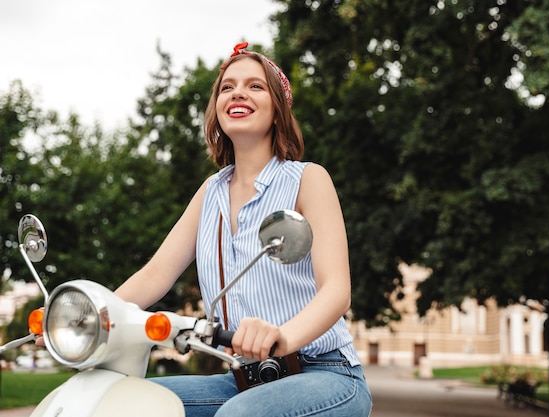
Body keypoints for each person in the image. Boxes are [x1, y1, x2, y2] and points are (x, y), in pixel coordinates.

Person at [114, 42, 372, 417]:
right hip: (246, 379)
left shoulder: (308, 180)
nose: (238, 92)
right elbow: (155, 275)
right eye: (227, 87)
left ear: (278, 108)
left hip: (327, 373)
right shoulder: (210, 192)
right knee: (121, 403)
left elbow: (336, 290)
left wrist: (283, 337)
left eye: (255, 85)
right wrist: (88, 316)